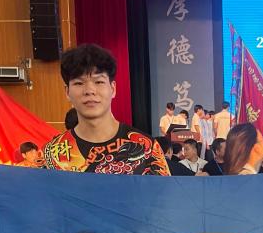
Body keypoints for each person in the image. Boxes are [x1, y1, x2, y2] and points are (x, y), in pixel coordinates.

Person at [43, 45, 169, 175]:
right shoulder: (51, 155)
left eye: (98, 82)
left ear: (113, 89)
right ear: (67, 92)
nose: (89, 91)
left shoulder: (147, 149)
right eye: (79, 83)